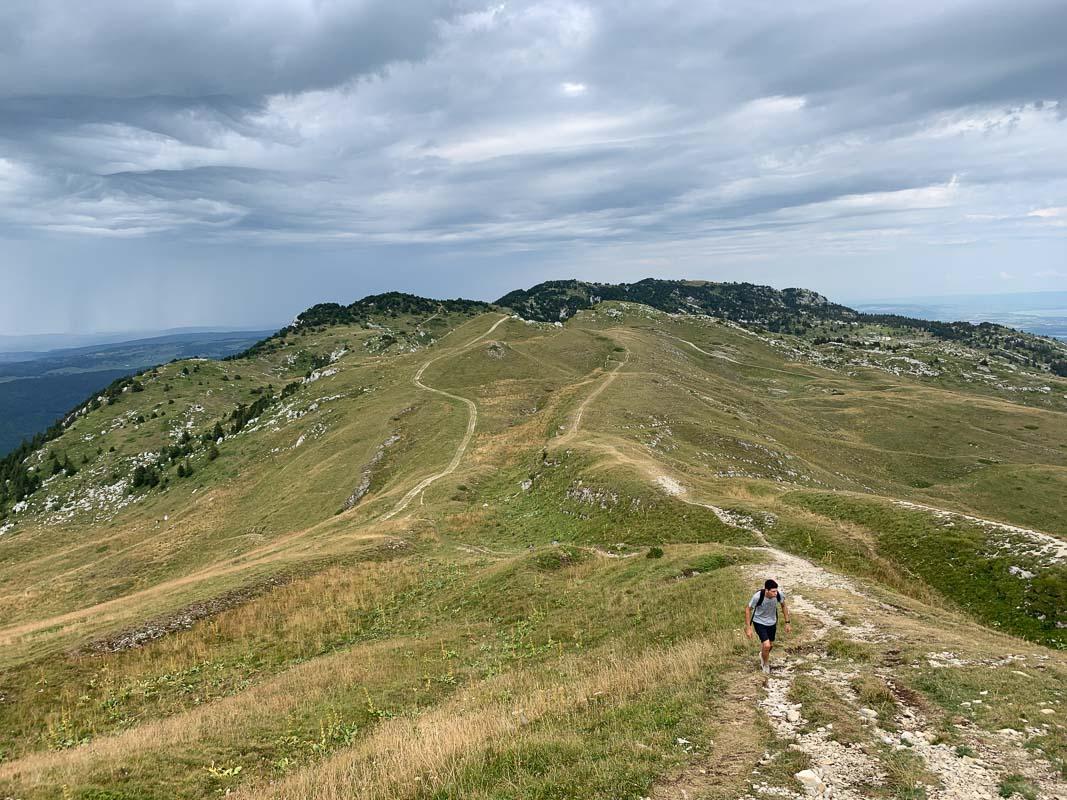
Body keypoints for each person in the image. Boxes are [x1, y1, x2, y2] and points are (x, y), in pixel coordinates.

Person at [745, 578, 791, 674]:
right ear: (766, 590)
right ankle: (765, 664)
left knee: (770, 646)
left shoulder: (778, 595)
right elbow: (748, 609)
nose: (775, 593)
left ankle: (762, 654)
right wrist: (748, 628)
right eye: (773, 591)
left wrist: (787, 622)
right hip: (759, 622)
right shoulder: (758, 597)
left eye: (776, 591)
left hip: (772, 622)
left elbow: (783, 606)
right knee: (766, 645)